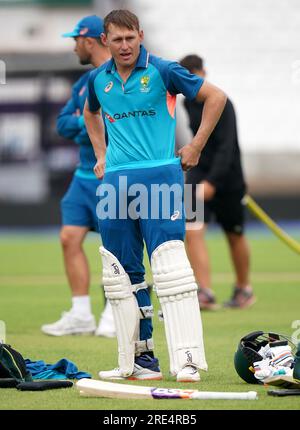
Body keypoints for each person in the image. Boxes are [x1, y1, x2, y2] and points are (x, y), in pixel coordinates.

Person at [84, 10, 226, 382]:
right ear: (106, 42)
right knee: (122, 274)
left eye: (130, 38)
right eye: (117, 39)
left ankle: (188, 361)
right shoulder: (98, 79)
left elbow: (216, 97)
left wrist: (195, 145)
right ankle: (139, 360)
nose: (125, 45)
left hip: (161, 177)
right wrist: (101, 155)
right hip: (115, 183)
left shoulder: (163, 70)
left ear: (140, 35)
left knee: (171, 268)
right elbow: (90, 114)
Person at [41, 15, 116, 337]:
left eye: (76, 41)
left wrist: (85, 120)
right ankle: (81, 313)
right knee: (69, 238)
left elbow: (118, 125)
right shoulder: (83, 83)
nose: (74, 48)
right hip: (83, 176)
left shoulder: (118, 77)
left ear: (89, 40)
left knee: (117, 246)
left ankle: (115, 312)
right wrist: (89, 122)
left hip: (112, 175)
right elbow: (61, 123)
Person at [179, 54, 255, 310]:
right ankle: (204, 291)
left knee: (234, 233)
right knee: (193, 229)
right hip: (198, 173)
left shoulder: (223, 102)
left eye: (194, 76)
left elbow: (227, 146)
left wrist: (213, 182)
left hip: (228, 178)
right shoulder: (187, 103)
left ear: (204, 73)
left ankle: (244, 288)